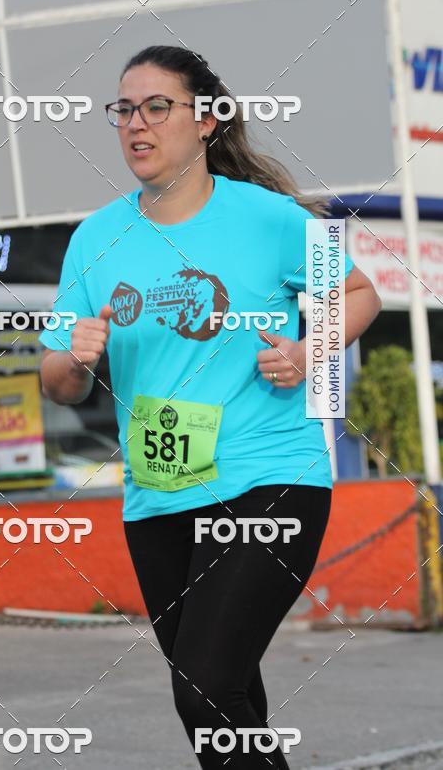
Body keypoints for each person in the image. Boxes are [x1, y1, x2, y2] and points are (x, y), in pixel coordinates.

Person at [39, 45, 381, 768]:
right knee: (227, 703)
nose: (137, 123)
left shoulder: (270, 219)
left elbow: (358, 294)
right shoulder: (95, 239)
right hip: (158, 498)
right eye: (124, 109)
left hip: (267, 478)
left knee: (204, 687)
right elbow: (56, 381)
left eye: (157, 106)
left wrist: (306, 350)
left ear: (206, 121)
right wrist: (76, 359)